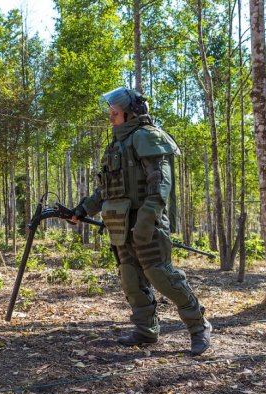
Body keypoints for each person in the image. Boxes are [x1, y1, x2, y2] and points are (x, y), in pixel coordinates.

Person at [70, 86, 212, 356]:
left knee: (162, 276)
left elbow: (160, 185)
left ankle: (199, 326)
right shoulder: (116, 144)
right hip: (120, 225)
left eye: (115, 112)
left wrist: (146, 220)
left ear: (130, 113)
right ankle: (146, 331)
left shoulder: (148, 137)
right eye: (110, 112)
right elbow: (106, 189)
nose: (110, 116)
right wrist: (82, 209)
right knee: (131, 278)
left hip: (146, 223)